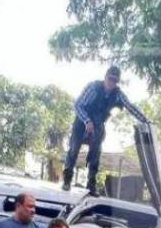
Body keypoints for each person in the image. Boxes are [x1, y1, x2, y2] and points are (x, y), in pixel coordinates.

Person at [62, 65, 149, 196]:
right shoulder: (93, 88)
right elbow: (77, 104)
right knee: (73, 150)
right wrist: (87, 121)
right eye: (110, 79)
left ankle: (91, 185)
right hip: (82, 121)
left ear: (117, 81)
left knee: (96, 154)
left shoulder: (118, 94)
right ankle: (67, 180)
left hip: (98, 124)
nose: (111, 82)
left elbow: (130, 106)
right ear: (105, 77)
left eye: (115, 80)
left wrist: (145, 120)